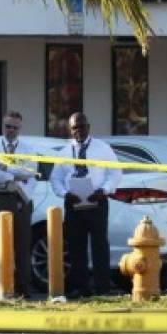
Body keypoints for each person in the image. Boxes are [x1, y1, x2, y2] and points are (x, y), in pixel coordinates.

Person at [49, 112, 122, 298]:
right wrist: (65, 194)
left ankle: (102, 287)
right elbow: (55, 179)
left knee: (99, 245)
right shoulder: (64, 152)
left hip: (97, 201)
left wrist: (104, 190)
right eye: (74, 128)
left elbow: (115, 173)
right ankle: (81, 287)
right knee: (76, 246)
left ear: (88, 127)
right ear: (70, 130)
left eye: (81, 127)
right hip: (73, 204)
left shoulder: (102, 148)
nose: (78, 131)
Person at [0, 110, 37, 296]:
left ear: (20, 128)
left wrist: (4, 168)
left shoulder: (28, 149)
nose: (10, 130)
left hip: (20, 199)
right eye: (7, 126)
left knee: (22, 247)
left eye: (14, 127)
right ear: (3, 126)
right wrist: (13, 174)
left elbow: (30, 172)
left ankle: (23, 289)